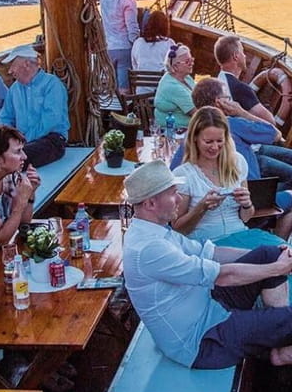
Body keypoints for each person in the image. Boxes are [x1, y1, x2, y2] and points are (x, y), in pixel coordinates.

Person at [123, 158, 292, 369]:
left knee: (269, 253)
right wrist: (278, 268)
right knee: (285, 307)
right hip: (202, 341)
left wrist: (277, 258)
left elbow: (211, 253)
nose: (179, 199)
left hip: (209, 304)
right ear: (150, 204)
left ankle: (274, 337)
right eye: (173, 193)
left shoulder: (155, 230)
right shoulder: (149, 248)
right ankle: (279, 352)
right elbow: (223, 276)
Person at [172, 106, 292, 243]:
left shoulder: (237, 162)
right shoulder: (184, 173)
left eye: (219, 141)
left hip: (240, 232)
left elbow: (246, 217)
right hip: (206, 243)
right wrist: (201, 208)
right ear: (195, 139)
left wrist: (247, 204)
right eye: (208, 142)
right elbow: (178, 230)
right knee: (276, 259)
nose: (215, 147)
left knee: (286, 253)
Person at [0, 45, 69, 168]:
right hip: (21, 142)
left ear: (26, 64)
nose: (10, 71)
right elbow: (5, 118)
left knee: (14, 159)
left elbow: (50, 120)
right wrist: (5, 139)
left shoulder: (52, 84)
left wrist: (22, 141)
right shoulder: (14, 89)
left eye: (12, 65)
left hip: (52, 139)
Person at [0, 125, 41, 244]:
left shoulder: (9, 178)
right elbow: (1, 239)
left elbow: (23, 223)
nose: (24, 156)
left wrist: (30, 194)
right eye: (18, 151)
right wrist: (20, 203)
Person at [214, 34, 275, 124]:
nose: (245, 56)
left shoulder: (217, 82)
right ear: (236, 56)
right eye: (242, 52)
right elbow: (271, 122)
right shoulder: (241, 88)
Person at [99, 0, 139, 91]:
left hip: (108, 48)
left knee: (112, 87)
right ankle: (125, 110)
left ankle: (113, 109)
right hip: (124, 48)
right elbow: (131, 27)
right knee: (124, 88)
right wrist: (137, 44)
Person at [153, 43, 195, 128]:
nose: (192, 63)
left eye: (191, 60)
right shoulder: (172, 86)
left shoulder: (186, 77)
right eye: (187, 62)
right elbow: (196, 113)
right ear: (175, 66)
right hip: (175, 131)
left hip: (187, 128)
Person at [131, 9, 175, 83]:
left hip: (141, 89)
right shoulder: (169, 43)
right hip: (163, 88)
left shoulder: (138, 43)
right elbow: (174, 66)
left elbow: (134, 65)